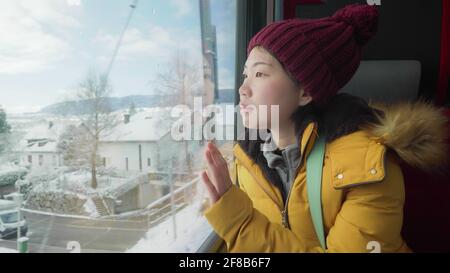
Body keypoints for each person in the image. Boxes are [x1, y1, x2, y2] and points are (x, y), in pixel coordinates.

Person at [200, 4, 448, 252]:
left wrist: (238, 221)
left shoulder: (366, 165)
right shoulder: (247, 159)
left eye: (260, 74)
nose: (243, 89)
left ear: (305, 92)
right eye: (245, 75)